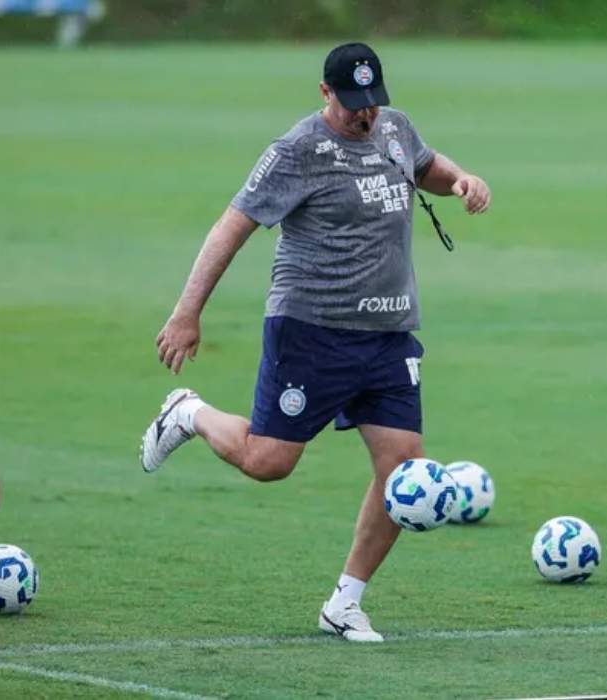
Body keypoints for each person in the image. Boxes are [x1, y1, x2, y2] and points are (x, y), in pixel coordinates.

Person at [140, 42, 491, 643]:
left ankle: (345, 604)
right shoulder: (295, 151)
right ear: (325, 93)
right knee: (268, 462)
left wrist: (462, 180)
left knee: (401, 465)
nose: (366, 114)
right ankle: (190, 413)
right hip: (311, 330)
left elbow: (426, 164)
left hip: (389, 335)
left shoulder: (395, 127)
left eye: (373, 102)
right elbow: (232, 227)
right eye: (353, 104)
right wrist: (186, 313)